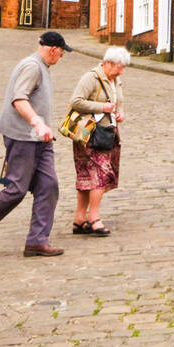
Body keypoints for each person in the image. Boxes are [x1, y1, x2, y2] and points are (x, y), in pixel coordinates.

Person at [0, 31, 71, 259]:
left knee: (48, 186)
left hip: (40, 140)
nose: (61, 58)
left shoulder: (42, 67)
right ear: (52, 50)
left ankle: (37, 242)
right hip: (23, 138)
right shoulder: (32, 67)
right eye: (61, 53)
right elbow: (19, 99)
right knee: (16, 189)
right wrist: (37, 122)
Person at [68, 46, 129, 236]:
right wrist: (102, 106)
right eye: (119, 67)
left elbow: (118, 104)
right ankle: (94, 218)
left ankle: (79, 220)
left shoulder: (115, 80)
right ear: (108, 63)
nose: (121, 71)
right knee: (99, 176)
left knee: (89, 176)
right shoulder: (91, 78)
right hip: (90, 134)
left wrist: (119, 114)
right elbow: (75, 101)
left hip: (107, 133)